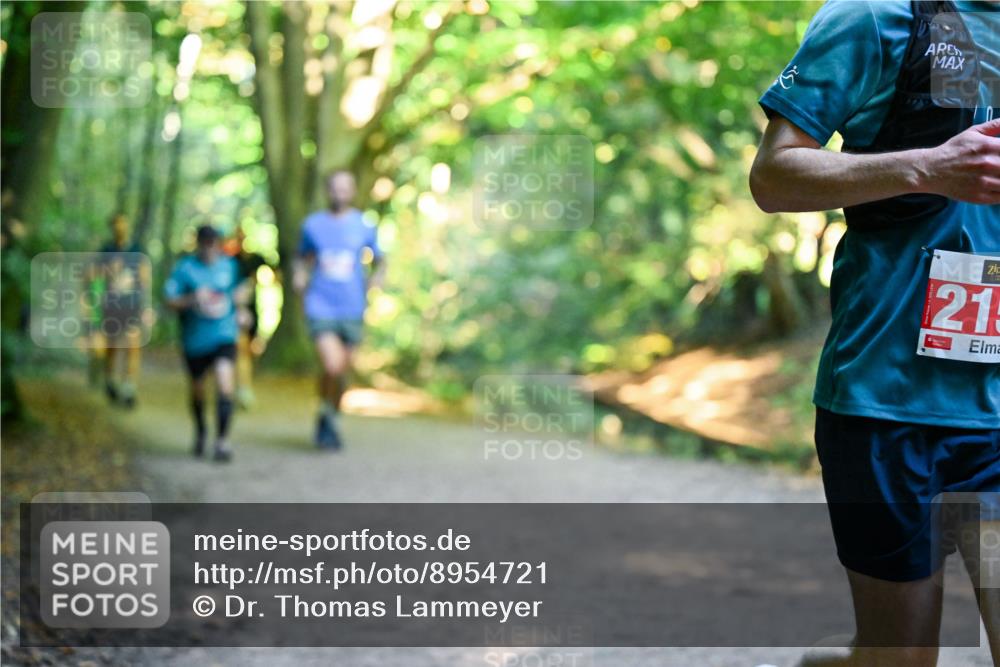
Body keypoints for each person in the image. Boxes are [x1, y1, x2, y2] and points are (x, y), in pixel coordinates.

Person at [750, 2, 999, 666]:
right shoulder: (871, 17)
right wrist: (927, 167)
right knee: (900, 658)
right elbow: (773, 176)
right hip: (884, 404)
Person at [293, 170, 386, 450]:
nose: (340, 194)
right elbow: (301, 257)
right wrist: (299, 274)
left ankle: (329, 414)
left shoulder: (364, 225)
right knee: (332, 365)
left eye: (345, 188)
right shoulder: (312, 225)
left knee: (344, 370)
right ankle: (327, 412)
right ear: (327, 191)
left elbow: (380, 260)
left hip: (352, 306)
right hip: (321, 305)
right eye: (335, 188)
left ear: (353, 191)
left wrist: (378, 277)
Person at [164, 225, 247, 462]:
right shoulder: (185, 269)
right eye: (205, 242)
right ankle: (201, 430)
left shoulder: (229, 266)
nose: (210, 247)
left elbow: (240, 291)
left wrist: (241, 310)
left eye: (214, 242)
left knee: (225, 382)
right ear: (198, 243)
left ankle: (222, 441)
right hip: (195, 340)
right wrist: (192, 299)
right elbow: (169, 301)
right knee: (198, 390)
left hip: (224, 335)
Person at [87, 213, 148, 408]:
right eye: (116, 225)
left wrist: (145, 305)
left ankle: (129, 387)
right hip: (111, 306)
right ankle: (110, 380)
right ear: (112, 228)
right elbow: (91, 275)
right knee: (112, 346)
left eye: (123, 224)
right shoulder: (106, 250)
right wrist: (108, 271)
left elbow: (145, 279)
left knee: (132, 345)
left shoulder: (137, 249)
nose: (120, 228)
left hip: (132, 305)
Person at [225, 226, 268, 409]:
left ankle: (242, 387)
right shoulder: (227, 261)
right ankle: (241, 389)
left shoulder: (254, 260)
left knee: (246, 350)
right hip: (232, 311)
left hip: (251, 310)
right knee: (240, 348)